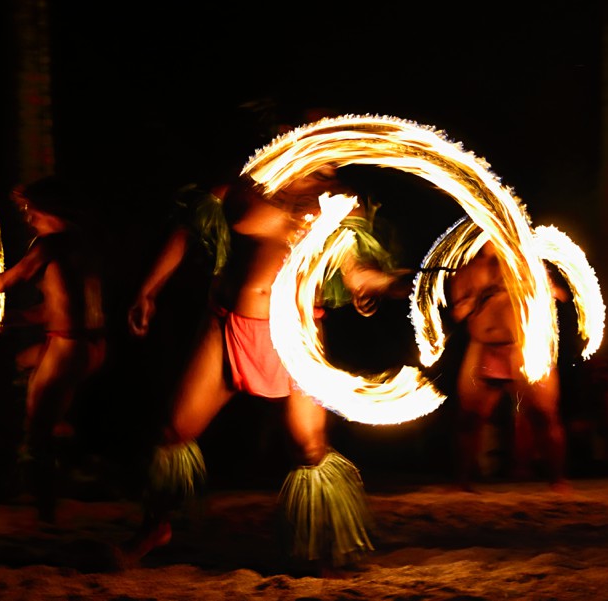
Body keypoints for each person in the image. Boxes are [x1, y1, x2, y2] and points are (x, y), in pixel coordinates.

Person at [121, 155, 411, 573]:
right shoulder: (245, 187)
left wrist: (386, 282)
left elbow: (356, 271)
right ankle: (155, 527)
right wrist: (148, 290)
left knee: (309, 448)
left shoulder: (340, 202)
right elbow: (188, 229)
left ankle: (323, 547)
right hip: (226, 327)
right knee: (174, 430)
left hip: (295, 335)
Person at [0, 175, 107, 523]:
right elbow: (58, 307)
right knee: (23, 364)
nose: (25, 215)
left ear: (44, 207)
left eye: (27, 208)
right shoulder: (81, 242)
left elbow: (4, 283)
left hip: (68, 347)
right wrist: (14, 319)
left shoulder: (49, 245)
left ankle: (47, 510)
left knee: (38, 431)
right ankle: (64, 436)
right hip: (91, 344)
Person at [446, 239, 571, 492]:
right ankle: (462, 481)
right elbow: (458, 313)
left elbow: (559, 295)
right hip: (483, 346)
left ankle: (557, 479)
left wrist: (532, 287)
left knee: (544, 415)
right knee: (469, 418)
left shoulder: (526, 264)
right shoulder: (467, 270)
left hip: (524, 347)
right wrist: (482, 295)